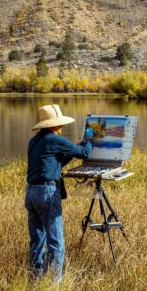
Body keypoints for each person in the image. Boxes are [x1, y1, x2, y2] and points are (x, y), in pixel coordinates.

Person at [25, 104, 93, 281]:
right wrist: (90, 138)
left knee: (37, 241)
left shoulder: (35, 141)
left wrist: (71, 149)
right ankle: (55, 286)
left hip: (31, 193)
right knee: (56, 243)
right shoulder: (55, 140)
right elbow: (85, 153)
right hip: (47, 193)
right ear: (56, 124)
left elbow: (55, 163)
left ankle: (35, 281)